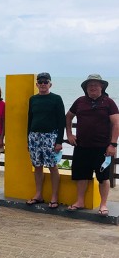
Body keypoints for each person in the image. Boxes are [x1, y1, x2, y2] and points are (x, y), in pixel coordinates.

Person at [66, 74, 119, 216]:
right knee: (81, 176)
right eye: (90, 85)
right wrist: (69, 134)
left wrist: (113, 145)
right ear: (86, 88)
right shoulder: (80, 101)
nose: (93, 87)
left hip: (103, 147)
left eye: (96, 85)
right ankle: (80, 201)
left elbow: (116, 123)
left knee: (103, 177)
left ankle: (103, 204)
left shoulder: (109, 102)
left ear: (101, 87)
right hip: (82, 146)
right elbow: (68, 117)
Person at [26, 72, 65, 209]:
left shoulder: (56, 99)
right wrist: (28, 139)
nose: (43, 84)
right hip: (34, 136)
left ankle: (54, 196)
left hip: (50, 137)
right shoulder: (33, 99)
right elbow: (30, 119)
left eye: (45, 81)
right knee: (37, 166)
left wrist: (59, 141)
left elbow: (62, 121)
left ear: (50, 84)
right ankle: (38, 194)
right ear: (37, 84)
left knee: (52, 166)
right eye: (40, 81)